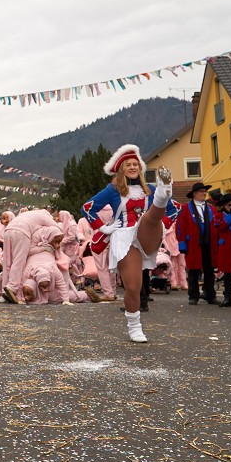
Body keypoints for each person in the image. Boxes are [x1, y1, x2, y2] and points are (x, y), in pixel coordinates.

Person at [81, 145, 175, 342]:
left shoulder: (149, 190)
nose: (133, 167)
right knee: (132, 286)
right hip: (124, 238)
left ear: (140, 168)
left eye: (135, 164)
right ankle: (134, 327)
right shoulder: (113, 190)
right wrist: (103, 228)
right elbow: (88, 208)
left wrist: (163, 227)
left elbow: (175, 209)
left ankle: (164, 192)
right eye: (128, 165)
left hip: (148, 231)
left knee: (149, 218)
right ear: (121, 169)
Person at [176, 181, 218, 305]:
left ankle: (210, 295)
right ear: (194, 194)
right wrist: (182, 243)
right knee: (193, 270)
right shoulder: (185, 209)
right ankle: (193, 296)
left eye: (205, 191)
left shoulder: (211, 209)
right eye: (201, 191)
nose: (204, 193)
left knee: (209, 270)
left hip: (210, 243)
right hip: (193, 243)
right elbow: (180, 227)